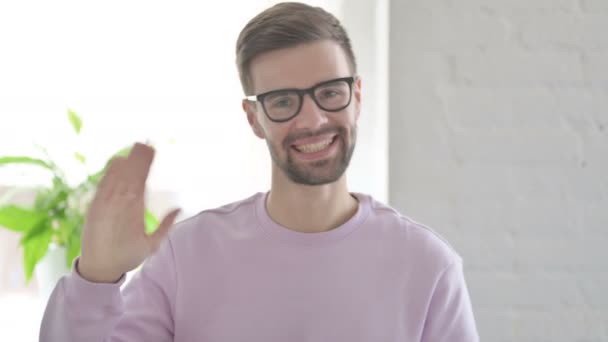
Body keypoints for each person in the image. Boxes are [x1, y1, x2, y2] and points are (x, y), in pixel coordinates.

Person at [39, 2, 479, 341]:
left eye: (329, 92)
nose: (312, 121)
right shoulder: (185, 257)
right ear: (254, 118)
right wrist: (95, 278)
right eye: (284, 101)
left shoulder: (428, 267)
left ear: (357, 97)